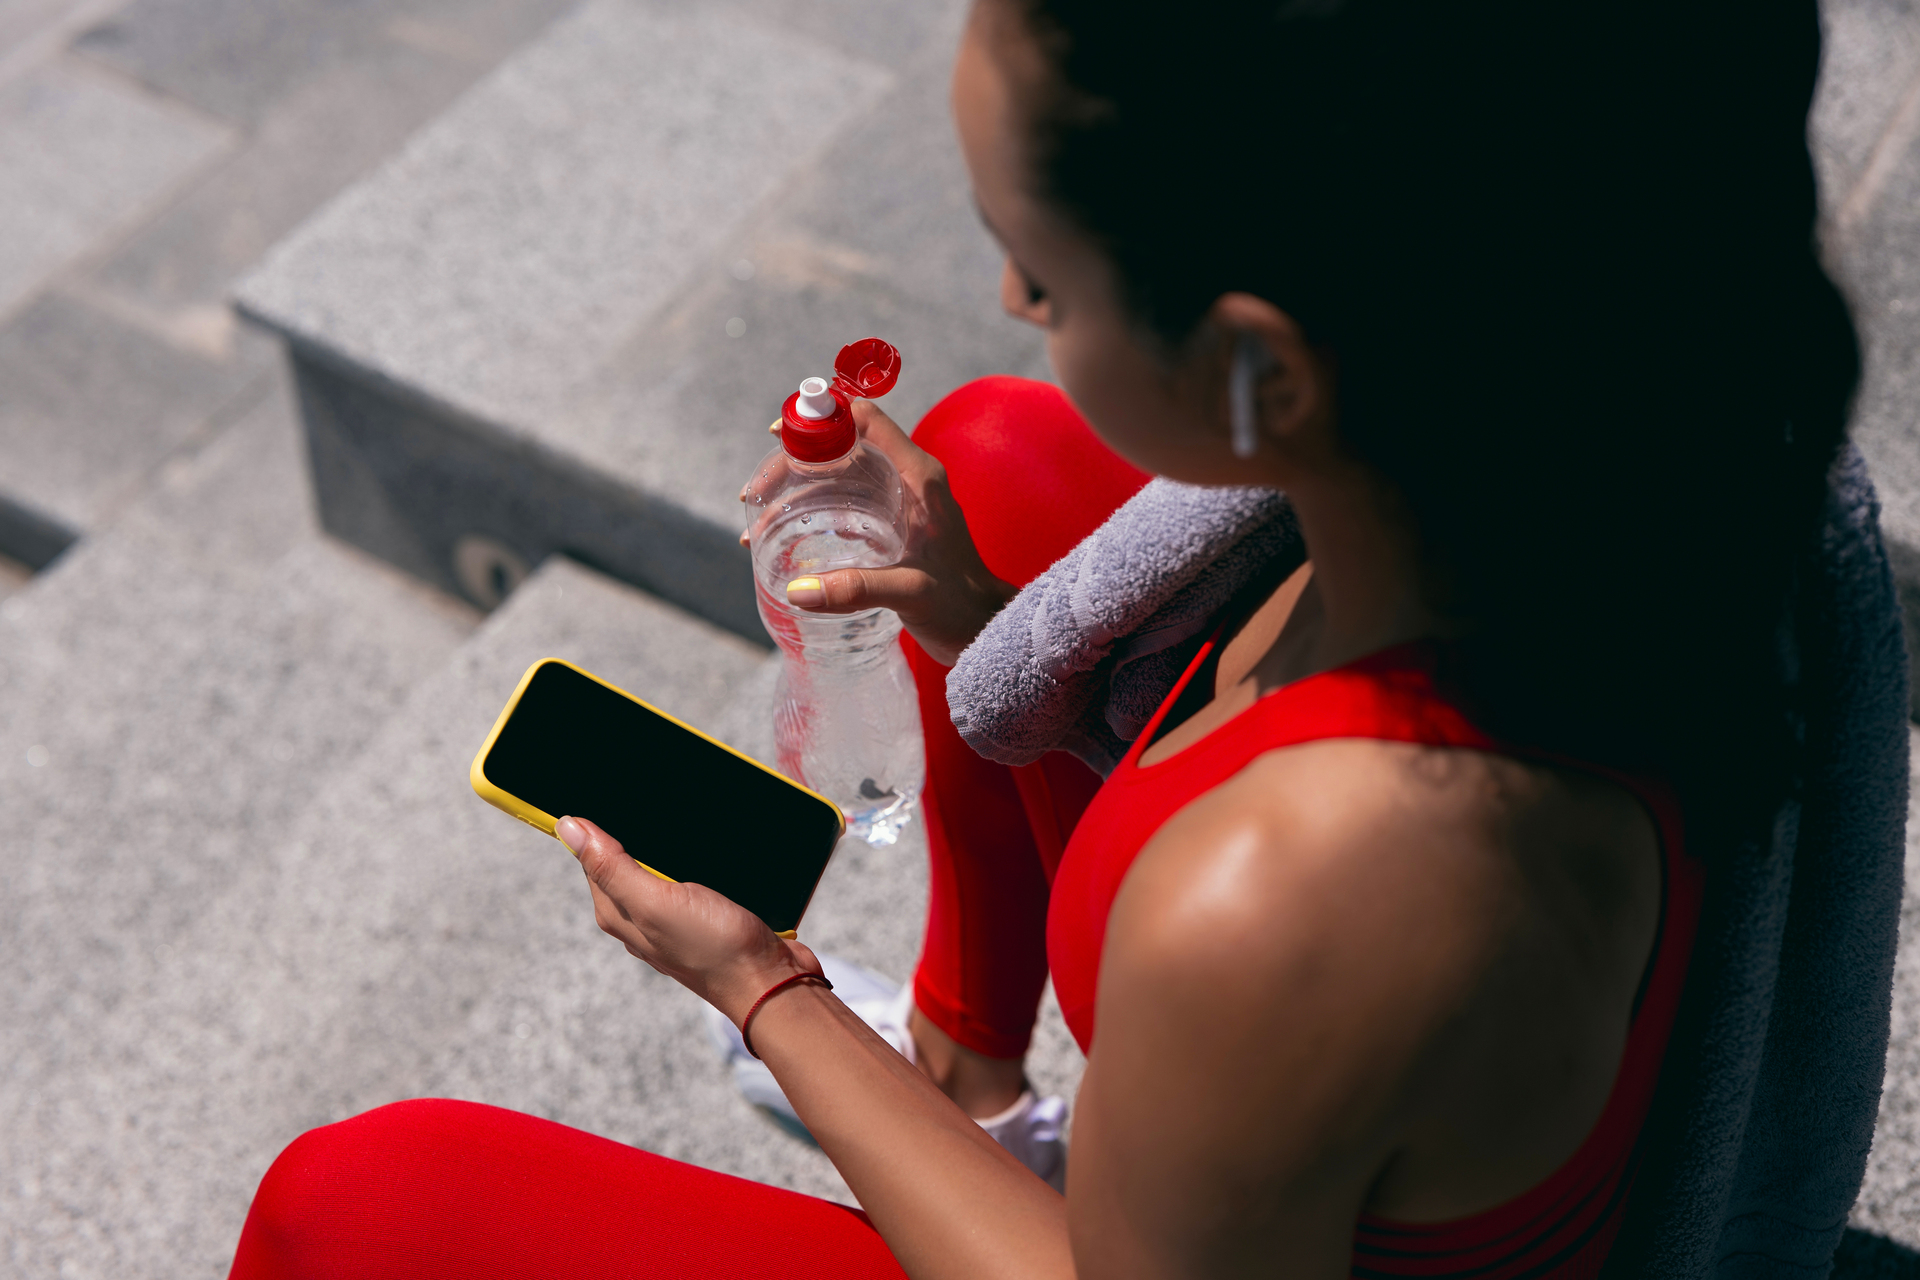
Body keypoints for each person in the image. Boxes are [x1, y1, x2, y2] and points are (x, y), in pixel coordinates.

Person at [228, 0, 1864, 1276]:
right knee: (1004, 454)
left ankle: (967, 1098)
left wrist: (766, 989)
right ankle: (967, 1069)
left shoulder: (1290, 905)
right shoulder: (1620, 427)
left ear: (1263, 369)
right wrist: (972, 612)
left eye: (1045, 265)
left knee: (352, 1209)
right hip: (1293, 1058)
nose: (1012, 294)